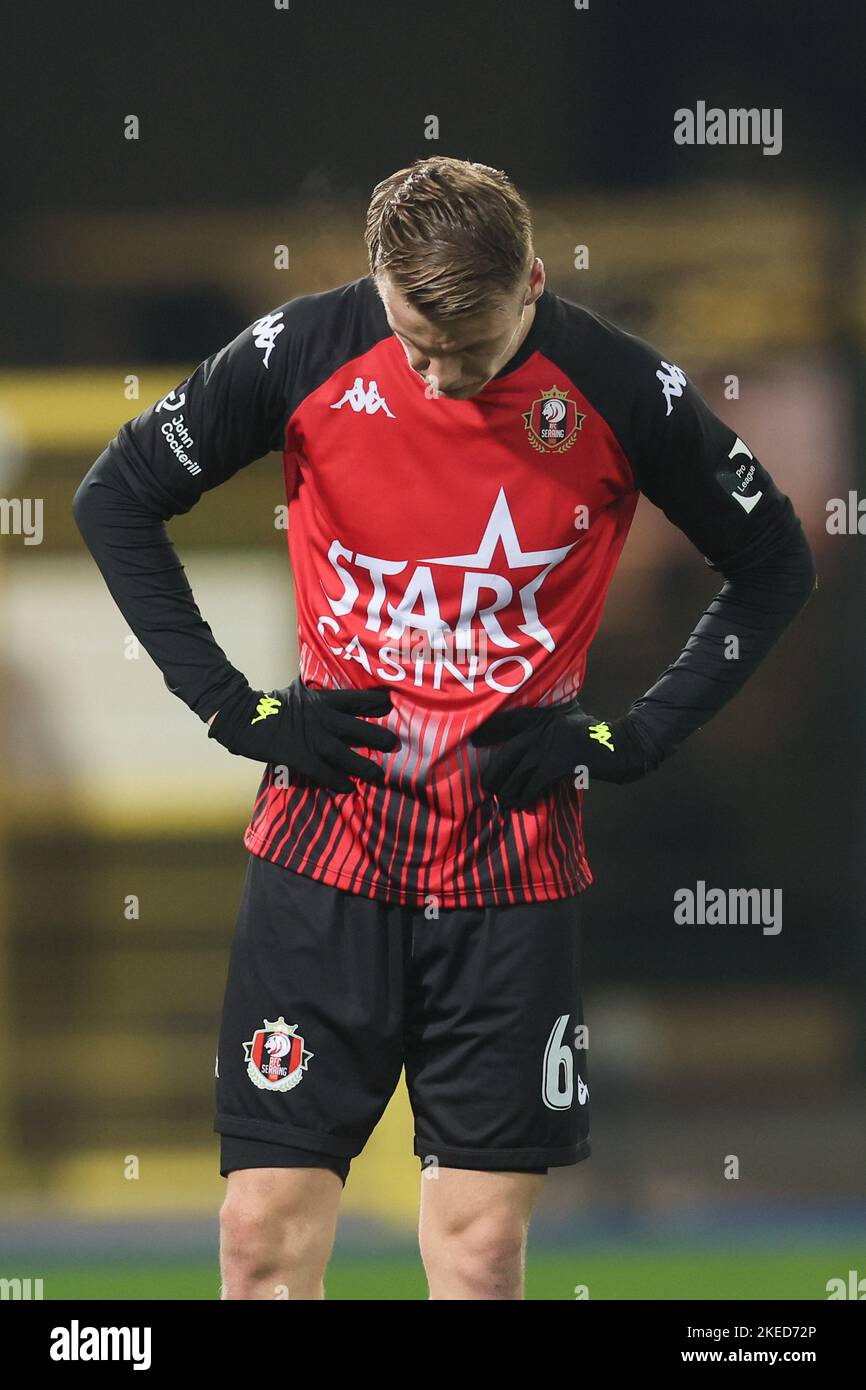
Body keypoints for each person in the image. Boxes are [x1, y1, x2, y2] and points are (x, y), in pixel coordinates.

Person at [72, 156, 816, 1300]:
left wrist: (635, 735)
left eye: (466, 352)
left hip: (507, 872)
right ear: (378, 285)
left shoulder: (619, 388)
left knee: (477, 1254)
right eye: (415, 344)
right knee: (260, 1238)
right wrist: (236, 708)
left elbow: (770, 562)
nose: (438, 377)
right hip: (323, 859)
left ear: (527, 282)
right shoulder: (303, 349)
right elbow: (113, 496)